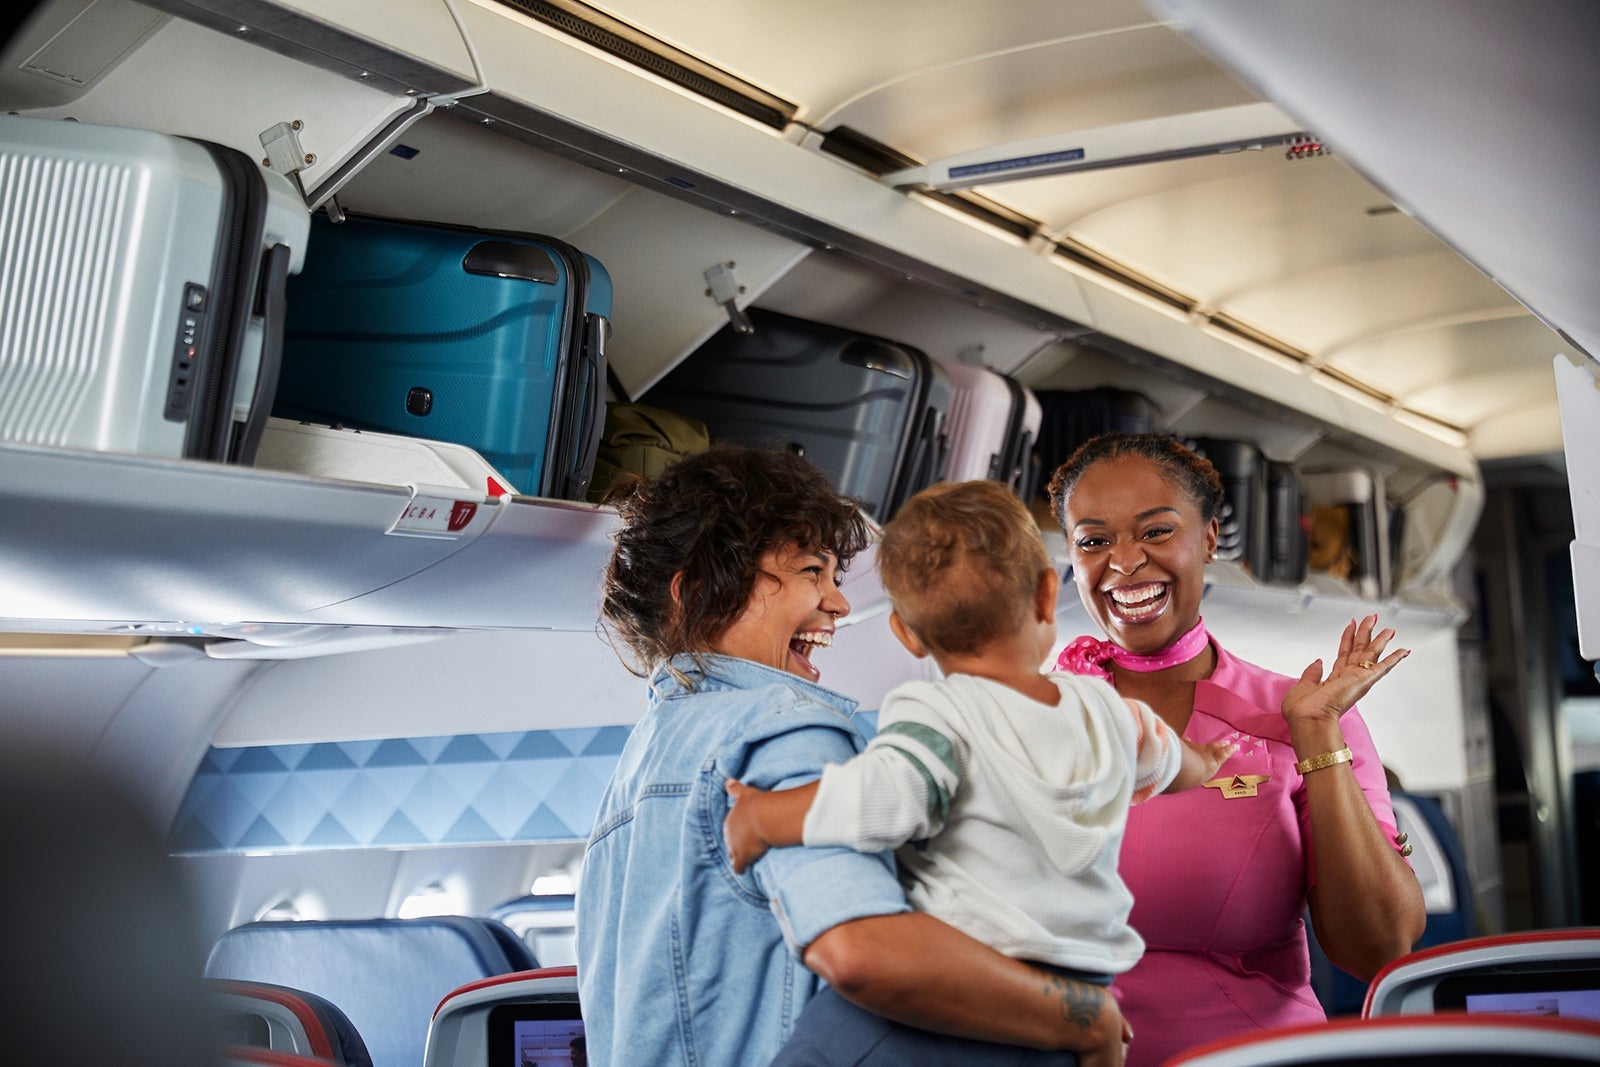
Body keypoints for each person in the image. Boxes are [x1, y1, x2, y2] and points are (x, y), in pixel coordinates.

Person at [575, 445, 1126, 1066]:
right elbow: (861, 953)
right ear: (700, 592)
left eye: (834, 577)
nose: (838, 603)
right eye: (812, 571)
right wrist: (1086, 1018)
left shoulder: (634, 772)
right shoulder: (780, 729)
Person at [721, 479, 1237, 996]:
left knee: (825, 1032)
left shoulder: (940, 717)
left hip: (982, 969)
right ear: (1047, 595)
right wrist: (1205, 761)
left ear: (907, 634)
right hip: (1088, 970)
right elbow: (1167, 758)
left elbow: (877, 799)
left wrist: (762, 818)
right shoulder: (1105, 708)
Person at [1045, 432, 1426, 1066]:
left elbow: (1380, 946)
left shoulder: (1299, 712)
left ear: (1210, 539)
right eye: (1093, 541)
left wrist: (1317, 736)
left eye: (1156, 531)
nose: (1125, 561)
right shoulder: (1032, 718)